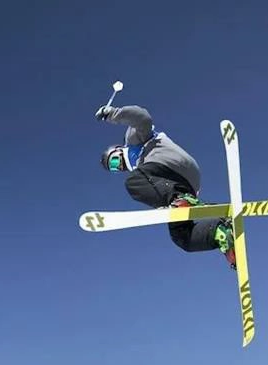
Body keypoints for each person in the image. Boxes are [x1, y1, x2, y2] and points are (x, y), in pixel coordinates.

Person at [96, 102, 235, 268]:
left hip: (170, 164)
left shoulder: (133, 141)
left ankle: (180, 198)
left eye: (114, 161)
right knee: (182, 237)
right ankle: (219, 231)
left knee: (133, 182)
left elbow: (143, 118)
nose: (119, 166)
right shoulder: (145, 175)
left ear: (118, 150)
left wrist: (113, 113)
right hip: (186, 184)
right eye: (114, 169)